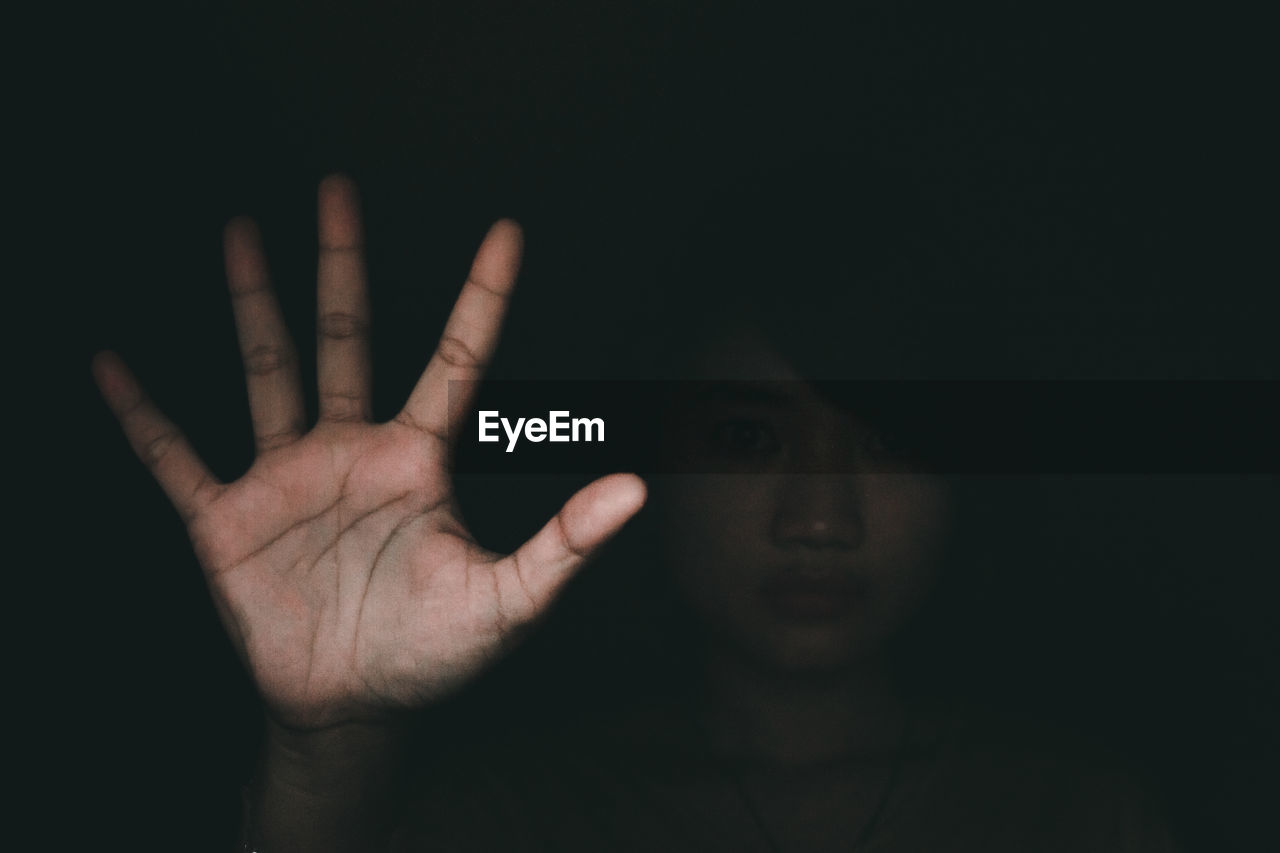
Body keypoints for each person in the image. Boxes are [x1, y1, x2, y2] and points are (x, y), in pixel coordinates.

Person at [93, 174, 1183, 852]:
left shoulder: (1085, 816)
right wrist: (326, 753)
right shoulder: (505, 817)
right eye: (747, 439)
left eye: (886, 439)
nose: (817, 518)